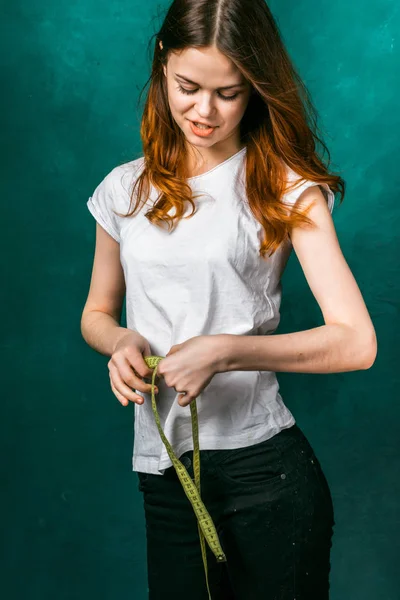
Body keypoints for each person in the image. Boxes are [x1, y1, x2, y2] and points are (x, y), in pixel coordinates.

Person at [81, 1, 377, 598]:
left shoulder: (287, 186)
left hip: (264, 473)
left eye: (230, 93)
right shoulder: (122, 189)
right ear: (163, 64)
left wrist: (223, 352)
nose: (205, 112)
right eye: (188, 88)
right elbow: (96, 314)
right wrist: (120, 342)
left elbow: (356, 341)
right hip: (163, 477)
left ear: (257, 89)